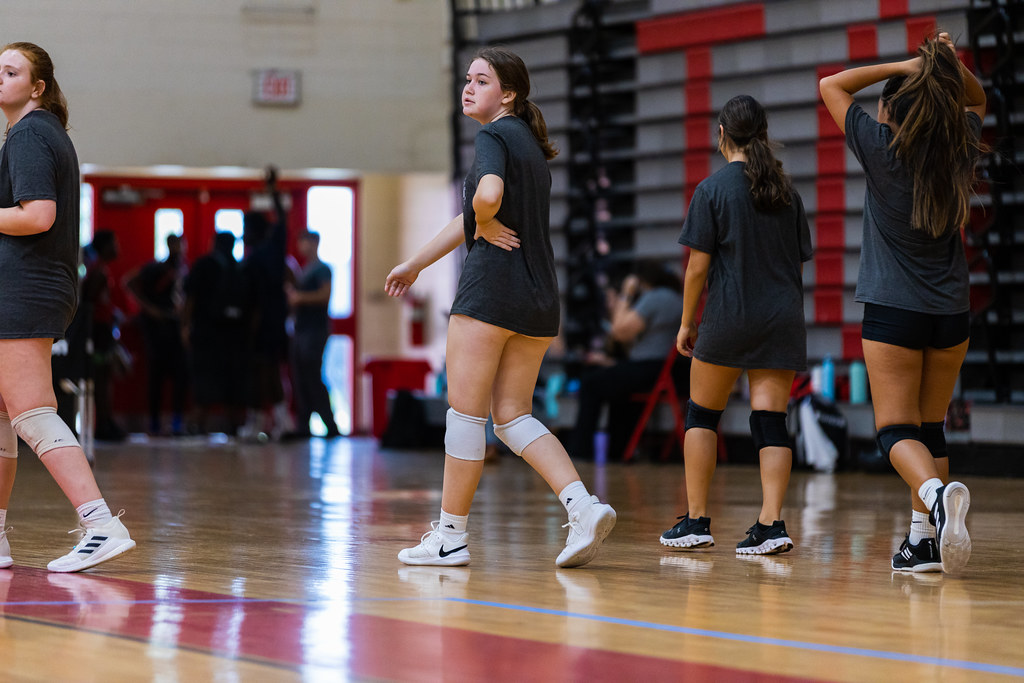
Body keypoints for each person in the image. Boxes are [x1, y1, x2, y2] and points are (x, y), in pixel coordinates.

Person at [385, 46, 615, 568]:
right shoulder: (530, 145)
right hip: (538, 300)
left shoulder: (493, 135)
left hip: (491, 293)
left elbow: (484, 199)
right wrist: (417, 263)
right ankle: (583, 507)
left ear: (507, 93)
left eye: (482, 81)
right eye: (467, 79)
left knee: (465, 417)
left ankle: (450, 536)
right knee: (512, 418)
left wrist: (485, 218)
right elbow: (474, 213)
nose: (469, 87)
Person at [820, 32, 985, 574]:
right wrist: (942, 66)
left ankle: (936, 499)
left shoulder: (882, 147)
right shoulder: (960, 142)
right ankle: (924, 544)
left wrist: (911, 64)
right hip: (951, 313)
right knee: (930, 428)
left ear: (891, 110)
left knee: (894, 431)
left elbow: (832, 85)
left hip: (894, 309)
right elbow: (977, 99)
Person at [0, 42, 135, 572]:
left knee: (31, 411)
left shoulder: (32, 132)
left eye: (11, 72)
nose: (0, 79)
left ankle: (101, 524)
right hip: (33, 285)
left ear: (37, 87)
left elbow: (37, 216)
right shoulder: (35, 132)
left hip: (26, 287)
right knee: (4, 414)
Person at [660, 94, 812, 556]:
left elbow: (697, 269)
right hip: (782, 318)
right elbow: (795, 264)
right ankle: (771, 524)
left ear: (721, 134)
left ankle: (697, 521)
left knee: (703, 415)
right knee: (771, 422)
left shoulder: (711, 190)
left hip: (729, 318)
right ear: (763, 135)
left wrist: (687, 323)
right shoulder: (788, 193)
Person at [568, 261, 686, 461]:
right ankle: (618, 451)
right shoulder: (676, 298)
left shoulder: (655, 297)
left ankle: (580, 451)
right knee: (615, 387)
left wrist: (626, 293)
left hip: (652, 368)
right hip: (672, 369)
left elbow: (619, 331)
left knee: (590, 382)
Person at [241, 167, 294, 441]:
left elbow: (282, 219)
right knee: (266, 370)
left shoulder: (267, 251)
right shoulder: (260, 253)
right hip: (267, 319)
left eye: (246, 230)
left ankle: (275, 420)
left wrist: (273, 190)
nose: (242, 236)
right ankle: (273, 418)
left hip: (266, 320)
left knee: (267, 369)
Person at [182, 231, 251, 435]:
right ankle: (233, 427)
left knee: (204, 380)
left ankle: (198, 426)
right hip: (236, 335)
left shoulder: (203, 264)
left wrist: (185, 326)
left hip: (206, 333)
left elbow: (190, 297)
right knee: (233, 382)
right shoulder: (241, 267)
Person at [124, 233, 188, 436]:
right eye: (176, 243)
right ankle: (154, 423)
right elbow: (129, 282)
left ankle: (177, 422)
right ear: (169, 244)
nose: (179, 247)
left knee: (180, 376)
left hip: (175, 328)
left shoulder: (182, 270)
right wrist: (148, 309)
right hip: (156, 330)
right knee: (156, 377)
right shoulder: (155, 268)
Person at [285, 230, 340, 438]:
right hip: (301, 330)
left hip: (315, 331)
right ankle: (303, 426)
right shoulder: (304, 270)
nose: (302, 246)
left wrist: (300, 298)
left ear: (315, 242)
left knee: (312, 376)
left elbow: (325, 296)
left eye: (305, 241)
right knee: (300, 378)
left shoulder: (322, 269)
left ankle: (330, 426)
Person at [81, 229, 126, 441]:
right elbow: (88, 303)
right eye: (115, 243)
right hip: (98, 333)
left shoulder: (101, 269)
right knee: (101, 379)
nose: (118, 248)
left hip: (102, 331)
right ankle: (103, 425)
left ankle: (107, 422)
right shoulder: (97, 271)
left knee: (105, 378)